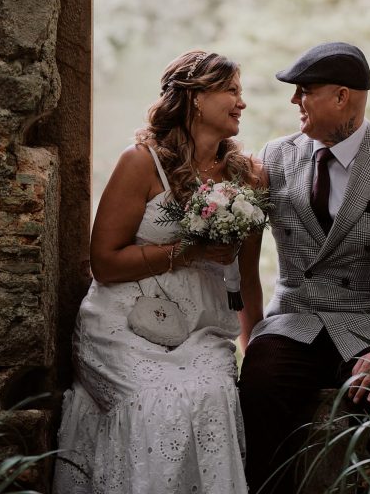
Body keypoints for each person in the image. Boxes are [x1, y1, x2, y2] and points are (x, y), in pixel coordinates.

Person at [238, 42, 370, 494]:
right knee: (258, 387)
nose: (295, 101)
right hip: (294, 319)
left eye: (304, 90)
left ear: (341, 96)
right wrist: (249, 332)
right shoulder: (274, 156)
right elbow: (241, 247)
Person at [53, 49, 264, 494]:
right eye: (230, 90)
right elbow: (105, 263)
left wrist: (256, 348)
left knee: (211, 397)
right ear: (194, 98)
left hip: (202, 329)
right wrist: (186, 253)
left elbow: (246, 279)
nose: (241, 102)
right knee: (157, 405)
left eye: (240, 92)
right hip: (124, 320)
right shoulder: (141, 162)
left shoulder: (247, 178)